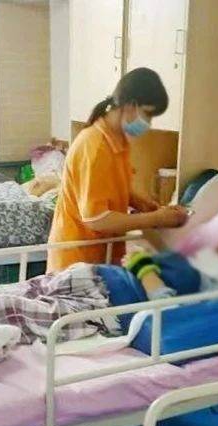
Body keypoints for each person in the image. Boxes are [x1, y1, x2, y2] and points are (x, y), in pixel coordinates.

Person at [0, 232, 218, 344]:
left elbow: (172, 312)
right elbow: (141, 259)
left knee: (12, 309)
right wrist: (144, 263)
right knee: (16, 290)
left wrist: (145, 269)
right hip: (94, 275)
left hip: (106, 307)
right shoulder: (190, 262)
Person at [47, 67, 188, 273]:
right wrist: (156, 219)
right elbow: (97, 220)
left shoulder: (117, 142)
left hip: (100, 256)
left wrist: (144, 204)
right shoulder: (95, 147)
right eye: (148, 114)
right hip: (76, 261)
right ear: (130, 106)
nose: (148, 123)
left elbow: (111, 186)